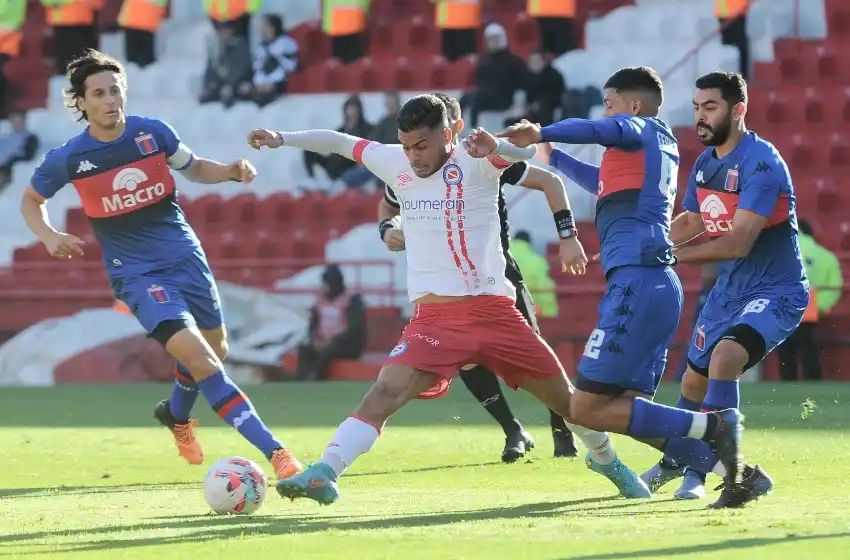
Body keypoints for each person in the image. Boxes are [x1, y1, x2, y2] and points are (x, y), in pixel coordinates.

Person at [249, 94, 653, 505]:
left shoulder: (478, 159)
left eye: (421, 146)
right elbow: (337, 142)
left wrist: (498, 148)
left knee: (570, 403)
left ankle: (607, 461)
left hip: (496, 313)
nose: (413, 157)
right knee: (385, 390)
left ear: (448, 133)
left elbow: (533, 157)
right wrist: (282, 138)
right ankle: (326, 471)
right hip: (435, 318)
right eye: (406, 146)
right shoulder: (393, 162)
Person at [19, 49, 302, 480]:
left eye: (115, 90)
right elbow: (31, 201)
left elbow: (194, 167)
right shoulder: (69, 158)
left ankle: (176, 415)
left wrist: (228, 171)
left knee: (217, 349)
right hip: (137, 275)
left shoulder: (153, 134)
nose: (110, 99)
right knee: (207, 362)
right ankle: (278, 454)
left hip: (187, 258)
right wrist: (49, 235)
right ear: (81, 102)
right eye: (99, 93)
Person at [499, 67, 762, 509]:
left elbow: (599, 129)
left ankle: (714, 427)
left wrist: (541, 130)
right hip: (657, 284)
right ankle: (740, 475)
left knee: (583, 408)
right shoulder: (657, 145)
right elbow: (603, 183)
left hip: (637, 283)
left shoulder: (635, 125)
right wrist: (551, 156)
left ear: (633, 105)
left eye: (610, 102)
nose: (606, 113)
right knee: (625, 414)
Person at [377, 93, 577, 462]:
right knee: (467, 360)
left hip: (495, 276)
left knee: (533, 351)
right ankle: (512, 430)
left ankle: (563, 429)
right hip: (447, 290)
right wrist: (387, 227)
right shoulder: (413, 169)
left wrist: (568, 235)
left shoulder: (480, 161)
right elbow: (390, 202)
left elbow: (548, 181)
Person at [640, 71, 799, 502]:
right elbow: (692, 220)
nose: (700, 117)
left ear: (738, 109)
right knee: (691, 384)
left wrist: (669, 257)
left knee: (725, 359)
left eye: (709, 107)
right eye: (696, 108)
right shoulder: (707, 162)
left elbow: (738, 241)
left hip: (777, 289)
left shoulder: (762, 162)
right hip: (728, 294)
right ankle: (678, 461)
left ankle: (714, 474)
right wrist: (646, 244)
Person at [777, 218, 843, 382]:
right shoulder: (826, 256)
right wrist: (820, 306)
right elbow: (835, 286)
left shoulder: (781, 251)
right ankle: (812, 382)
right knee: (807, 348)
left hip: (783, 305)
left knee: (785, 349)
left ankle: (788, 384)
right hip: (810, 305)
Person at [296, 264, 367, 381]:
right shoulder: (320, 301)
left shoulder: (352, 301)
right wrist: (315, 339)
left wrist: (333, 340)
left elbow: (355, 328)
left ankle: (317, 378)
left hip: (346, 344)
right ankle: (301, 379)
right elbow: (313, 324)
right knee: (305, 349)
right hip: (324, 341)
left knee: (327, 352)